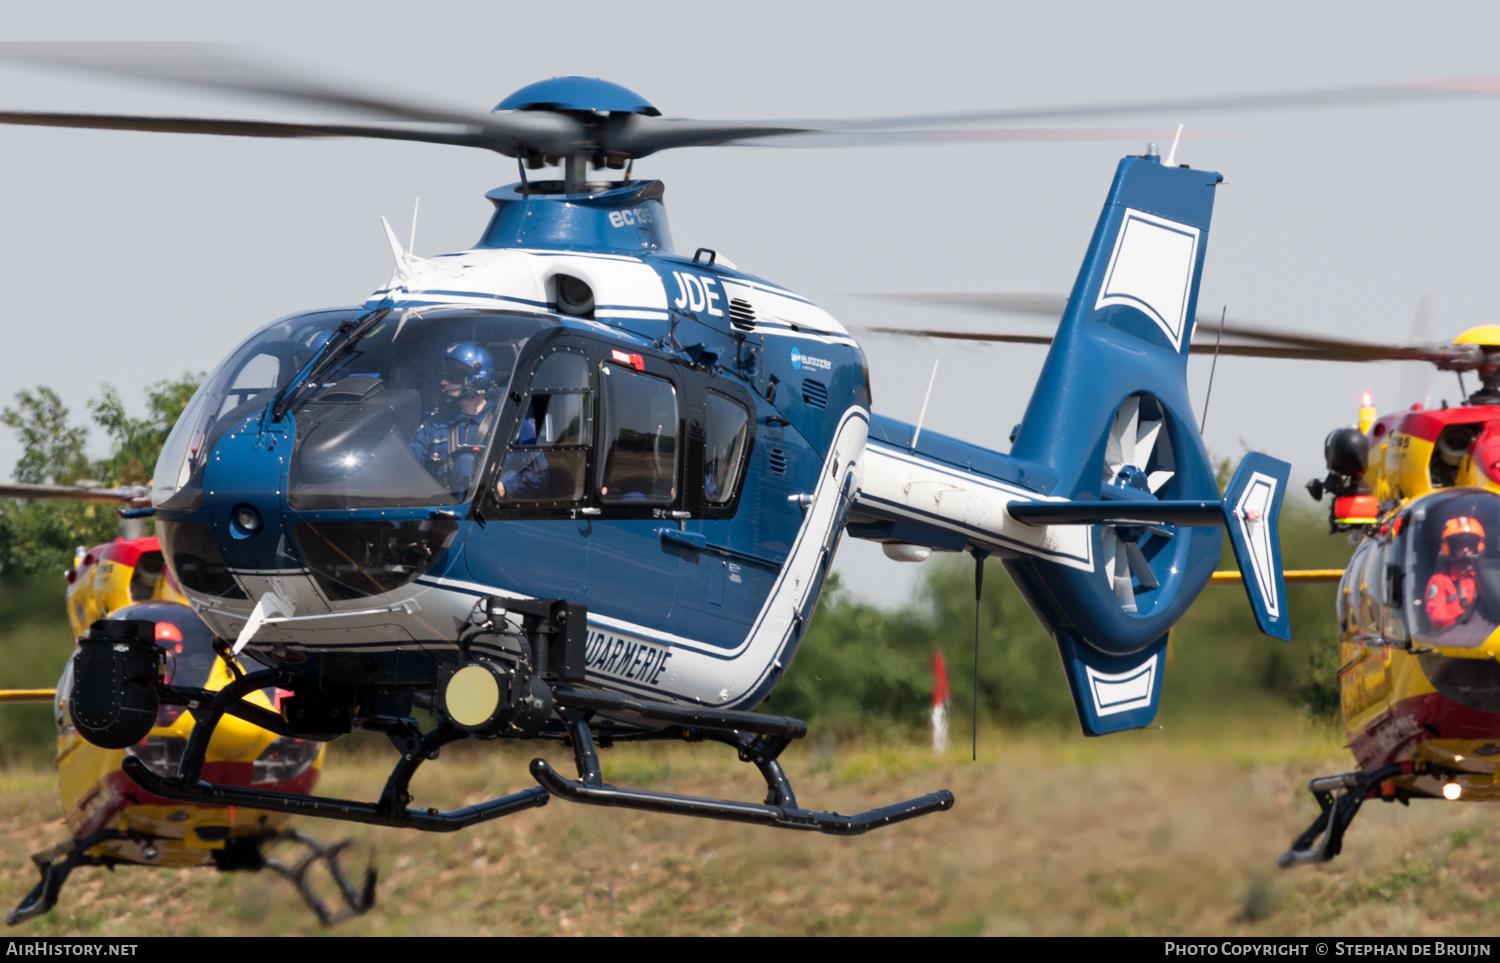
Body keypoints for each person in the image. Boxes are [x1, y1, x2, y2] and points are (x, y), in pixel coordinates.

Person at [409, 342, 499, 498]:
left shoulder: (505, 422)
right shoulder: (435, 425)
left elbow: (538, 473)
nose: (443, 382)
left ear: (477, 379)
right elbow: (408, 466)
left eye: (452, 376)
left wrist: (504, 485)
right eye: (443, 376)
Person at [1424, 516, 1485, 631]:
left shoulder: (1485, 577)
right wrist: (1465, 619)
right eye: (1459, 545)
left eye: (1470, 544)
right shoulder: (1439, 581)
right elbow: (1436, 617)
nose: (1465, 549)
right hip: (1455, 639)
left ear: (1477, 546)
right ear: (1450, 549)